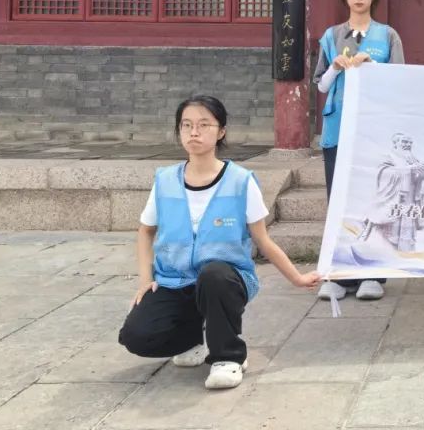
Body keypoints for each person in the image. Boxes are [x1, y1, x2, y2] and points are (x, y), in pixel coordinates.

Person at [118, 95, 320, 390]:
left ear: (221, 131)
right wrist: (146, 281)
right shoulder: (165, 180)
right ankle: (193, 339)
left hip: (226, 280)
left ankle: (228, 357)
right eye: (186, 125)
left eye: (204, 125)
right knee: (136, 336)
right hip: (174, 280)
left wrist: (297, 278)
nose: (194, 132)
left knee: (213, 274)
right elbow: (145, 231)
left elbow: (262, 239)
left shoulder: (240, 181)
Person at [314, 0, 405, 303]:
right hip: (338, 130)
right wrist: (336, 66)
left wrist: (373, 66)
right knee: (339, 202)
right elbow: (321, 85)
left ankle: (372, 274)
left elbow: (400, 80)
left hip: (374, 133)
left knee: (374, 202)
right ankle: (339, 274)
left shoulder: (388, 36)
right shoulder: (331, 36)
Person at [361, 132, 424, 252]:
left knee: (406, 234)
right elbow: (382, 174)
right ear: (395, 143)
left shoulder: (413, 160)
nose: (407, 145)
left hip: (409, 202)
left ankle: (404, 254)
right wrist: (407, 170)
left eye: (410, 142)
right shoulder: (388, 157)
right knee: (388, 237)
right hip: (393, 200)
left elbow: (419, 181)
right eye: (404, 142)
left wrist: (422, 175)